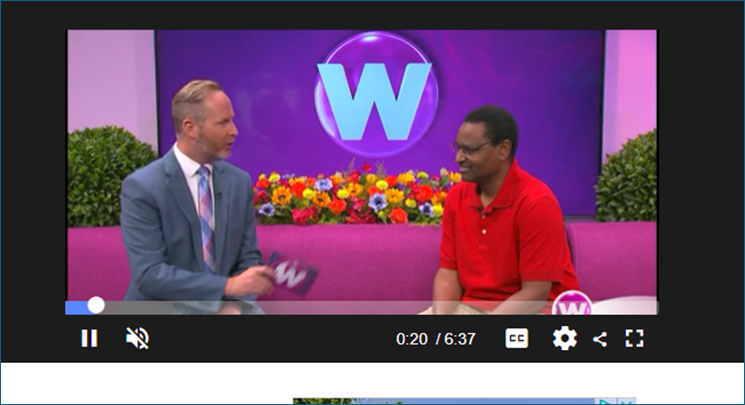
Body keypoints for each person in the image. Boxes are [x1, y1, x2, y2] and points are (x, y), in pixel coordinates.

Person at [120, 79, 276, 315]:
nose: (234, 130)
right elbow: (150, 274)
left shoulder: (238, 182)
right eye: (222, 123)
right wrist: (226, 286)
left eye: (232, 120)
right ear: (190, 128)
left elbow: (248, 258)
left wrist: (234, 305)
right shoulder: (143, 187)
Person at [420, 105, 581, 315]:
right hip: (472, 308)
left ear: (503, 149)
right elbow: (448, 273)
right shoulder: (456, 197)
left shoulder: (537, 202)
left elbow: (535, 294)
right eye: (458, 148)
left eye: (469, 149)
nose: (458, 158)